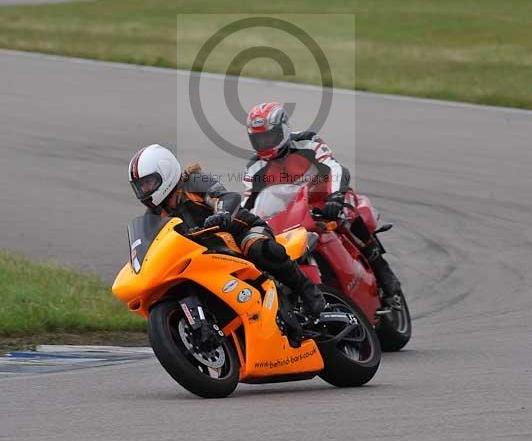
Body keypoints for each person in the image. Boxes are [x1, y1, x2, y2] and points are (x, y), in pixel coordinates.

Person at [128, 144, 325, 317]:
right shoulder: (154, 216)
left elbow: (225, 196)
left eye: (148, 183)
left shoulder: (192, 181)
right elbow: (151, 247)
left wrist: (222, 213)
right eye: (140, 186)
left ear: (165, 171)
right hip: (204, 254)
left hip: (239, 231)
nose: (144, 190)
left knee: (259, 248)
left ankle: (308, 291)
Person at [243, 102, 401, 298]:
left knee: (347, 213)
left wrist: (336, 196)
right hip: (292, 215)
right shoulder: (254, 167)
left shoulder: (307, 142)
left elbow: (335, 168)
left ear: (283, 130)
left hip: (326, 200)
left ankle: (380, 266)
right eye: (258, 139)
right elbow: (248, 203)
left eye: (268, 137)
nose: (264, 143)